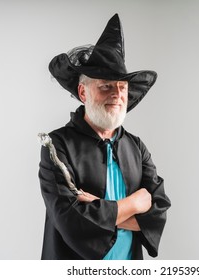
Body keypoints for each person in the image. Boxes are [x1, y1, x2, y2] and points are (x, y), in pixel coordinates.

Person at [38, 14, 171, 260]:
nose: (117, 94)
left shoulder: (136, 146)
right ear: (83, 92)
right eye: (106, 86)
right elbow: (71, 222)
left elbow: (159, 212)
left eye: (122, 87)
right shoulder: (57, 146)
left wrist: (102, 213)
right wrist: (134, 204)